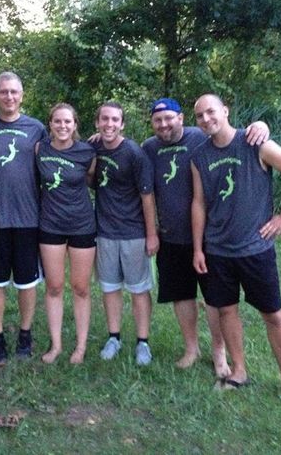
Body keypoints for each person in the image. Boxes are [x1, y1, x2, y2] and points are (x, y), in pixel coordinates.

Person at [190, 94, 281, 413]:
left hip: (255, 249)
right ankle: (239, 371)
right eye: (199, 115)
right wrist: (199, 247)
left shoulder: (255, 142)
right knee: (227, 311)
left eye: (210, 112)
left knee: (273, 315)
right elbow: (199, 203)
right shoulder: (198, 155)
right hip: (218, 251)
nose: (205, 119)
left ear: (225, 111)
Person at [142, 97, 269, 376]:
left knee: (215, 299)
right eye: (157, 120)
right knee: (181, 295)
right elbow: (146, 192)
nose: (164, 124)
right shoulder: (149, 148)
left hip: (210, 237)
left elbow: (234, 134)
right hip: (171, 237)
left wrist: (260, 126)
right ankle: (191, 348)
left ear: (182, 118)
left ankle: (219, 353)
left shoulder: (201, 136)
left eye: (169, 118)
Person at [0, 72, 47, 365]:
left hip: (29, 217)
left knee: (26, 283)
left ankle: (25, 336)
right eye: (3, 92)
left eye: (14, 92)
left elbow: (63, 148)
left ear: (22, 94)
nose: (9, 97)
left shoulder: (37, 128)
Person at [93, 101, 159, 366]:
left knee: (138, 289)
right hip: (104, 232)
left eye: (115, 120)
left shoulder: (134, 153)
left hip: (133, 232)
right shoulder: (94, 146)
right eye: (104, 119)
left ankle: (143, 342)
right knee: (109, 288)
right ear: (97, 122)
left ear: (122, 124)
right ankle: (114, 337)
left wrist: (151, 234)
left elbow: (147, 196)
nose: (109, 124)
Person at [36, 103, 97, 364]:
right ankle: (57, 345)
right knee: (54, 286)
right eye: (57, 121)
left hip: (82, 225)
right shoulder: (40, 149)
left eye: (67, 122)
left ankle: (81, 347)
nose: (62, 126)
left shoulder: (88, 152)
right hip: (50, 225)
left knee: (81, 288)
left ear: (75, 125)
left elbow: (92, 180)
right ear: (49, 124)